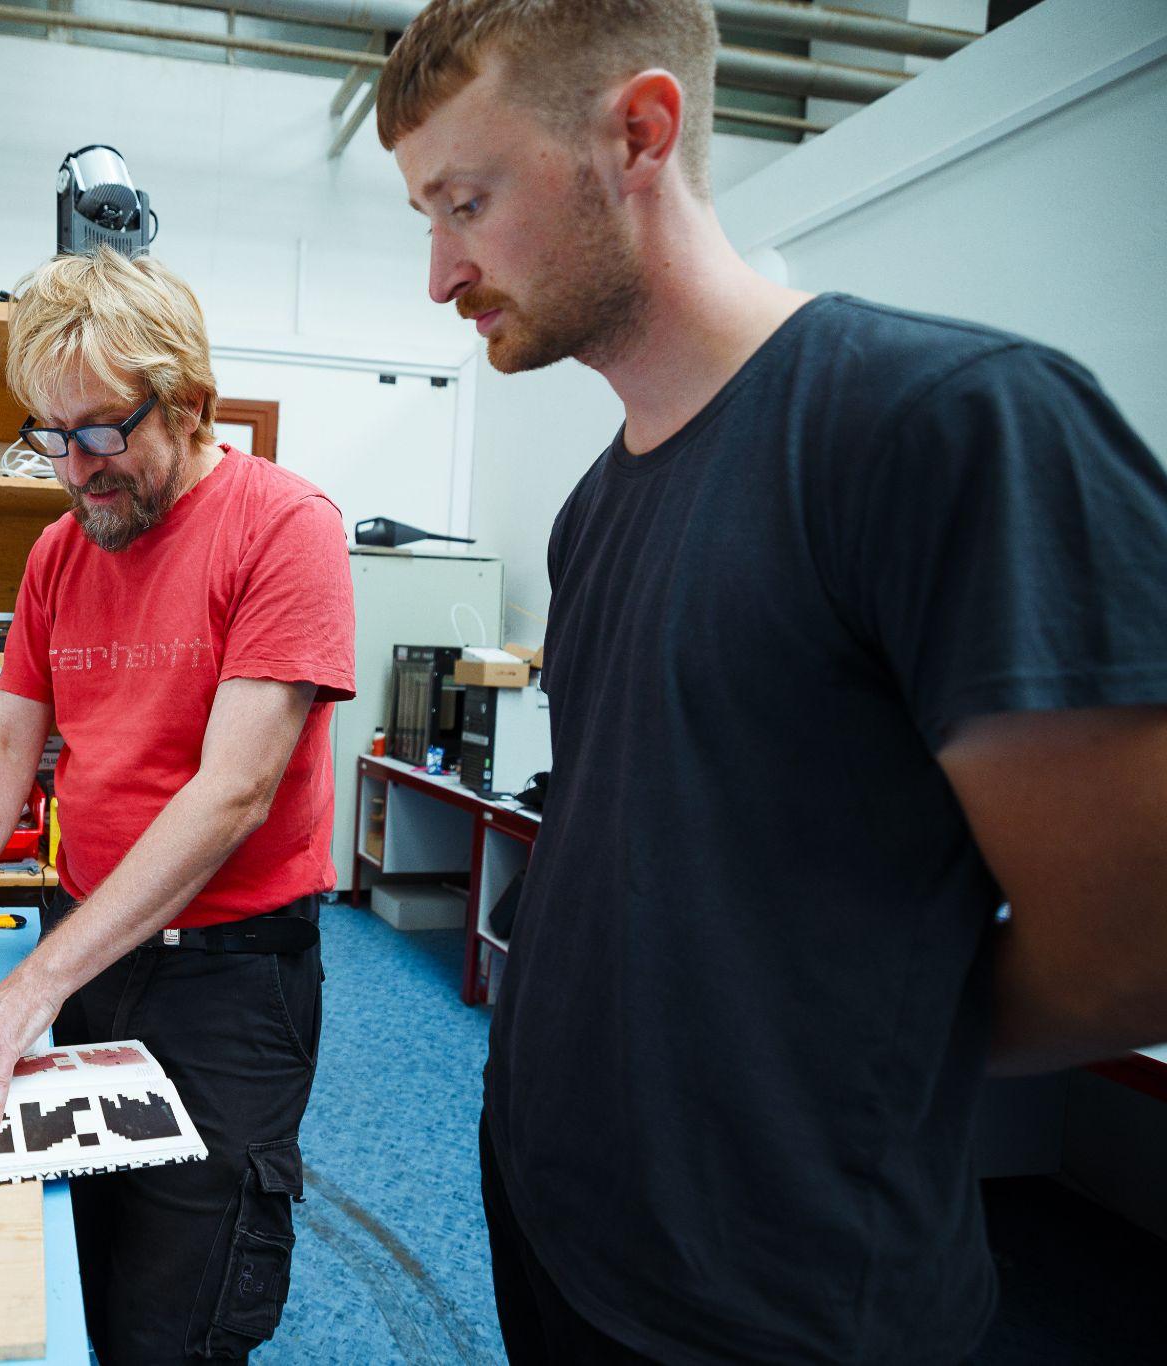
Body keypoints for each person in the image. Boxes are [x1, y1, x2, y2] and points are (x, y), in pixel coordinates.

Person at [374, 1, 1167, 1362]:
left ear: (639, 132)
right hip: (556, 1221)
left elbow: (1133, 953)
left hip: (769, 1303)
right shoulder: (593, 505)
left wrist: (834, 1048)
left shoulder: (949, 427)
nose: (440, 274)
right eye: (425, 218)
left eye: (467, 201)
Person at [0, 246, 355, 1363]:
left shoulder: (286, 528)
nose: (76, 469)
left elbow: (231, 791)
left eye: (99, 432)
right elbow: (3, 740)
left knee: (173, 1308)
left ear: (189, 404)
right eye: (47, 434)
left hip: (232, 976)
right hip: (85, 943)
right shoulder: (55, 552)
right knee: (62, 1258)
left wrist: (26, 990)